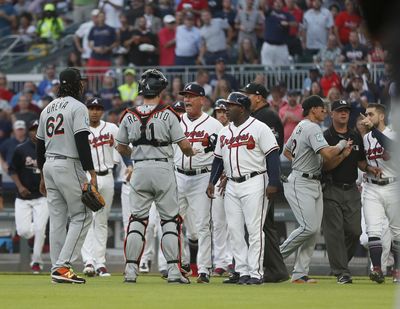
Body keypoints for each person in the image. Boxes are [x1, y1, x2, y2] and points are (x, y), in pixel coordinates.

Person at [116, 69, 199, 284]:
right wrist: (193, 152)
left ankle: (130, 271)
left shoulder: (128, 114)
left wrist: (136, 154)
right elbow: (184, 145)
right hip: (163, 168)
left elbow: (120, 146)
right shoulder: (169, 113)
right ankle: (173, 271)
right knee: (170, 220)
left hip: (140, 169)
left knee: (137, 220)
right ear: (160, 90)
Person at [207, 92, 281, 285]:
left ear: (241, 108)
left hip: (255, 180)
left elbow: (272, 155)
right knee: (234, 230)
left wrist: (273, 182)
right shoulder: (225, 132)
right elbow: (218, 160)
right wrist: (211, 182)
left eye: (230, 106)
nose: (226, 110)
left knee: (255, 229)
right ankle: (241, 271)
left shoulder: (259, 128)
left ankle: (255, 273)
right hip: (231, 184)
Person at [280, 95, 352, 283]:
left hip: (313, 181)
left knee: (312, 231)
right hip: (301, 182)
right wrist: (341, 144)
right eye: (322, 108)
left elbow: (287, 151)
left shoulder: (301, 125)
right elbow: (328, 154)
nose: (325, 111)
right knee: (308, 228)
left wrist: (302, 161)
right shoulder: (311, 127)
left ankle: (300, 273)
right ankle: (273, 257)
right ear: (313, 109)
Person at [36, 68, 97, 284]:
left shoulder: (47, 109)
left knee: (58, 221)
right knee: (82, 215)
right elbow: (81, 141)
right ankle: (63, 267)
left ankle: (56, 269)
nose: (82, 85)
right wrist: (91, 171)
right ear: (74, 84)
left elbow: (39, 145)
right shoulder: (78, 107)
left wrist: (42, 175)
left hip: (49, 166)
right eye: (80, 82)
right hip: (68, 164)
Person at [322, 99, 379, 284]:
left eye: (346, 110)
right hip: (331, 187)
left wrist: (370, 169)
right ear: (332, 114)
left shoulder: (355, 136)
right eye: (339, 110)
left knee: (355, 232)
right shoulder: (326, 136)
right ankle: (342, 271)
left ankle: (339, 265)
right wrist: (342, 155)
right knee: (335, 232)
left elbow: (361, 162)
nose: (344, 113)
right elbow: (325, 166)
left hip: (351, 188)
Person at [174, 82, 223, 283]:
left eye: (192, 96)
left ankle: (203, 269)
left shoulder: (215, 125)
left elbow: (223, 154)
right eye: (185, 96)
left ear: (202, 100)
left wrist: (216, 178)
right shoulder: (175, 122)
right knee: (173, 222)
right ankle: (179, 264)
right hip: (178, 175)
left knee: (203, 225)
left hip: (202, 176)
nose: (187, 99)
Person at [240, 82, 288, 283]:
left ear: (258, 97)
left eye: (248, 95)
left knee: (259, 226)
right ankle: (275, 269)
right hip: (257, 176)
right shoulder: (255, 117)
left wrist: (273, 180)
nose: (245, 98)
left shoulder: (267, 117)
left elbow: (273, 150)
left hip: (263, 176)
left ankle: (274, 269)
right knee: (263, 226)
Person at [359, 103, 400, 284]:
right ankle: (376, 269)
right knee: (372, 230)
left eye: (371, 114)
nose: (367, 117)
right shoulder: (365, 138)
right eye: (366, 114)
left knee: (397, 232)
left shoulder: (394, 134)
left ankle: (397, 270)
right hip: (371, 187)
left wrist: (373, 130)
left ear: (381, 116)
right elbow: (360, 161)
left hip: (393, 186)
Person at [81, 97, 119, 277]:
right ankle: (88, 261)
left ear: (102, 110)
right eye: (91, 108)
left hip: (108, 176)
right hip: (88, 177)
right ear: (86, 109)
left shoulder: (112, 128)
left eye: (98, 108)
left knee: (102, 221)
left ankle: (100, 263)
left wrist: (128, 166)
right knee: (88, 219)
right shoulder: (80, 129)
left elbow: (123, 148)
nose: (94, 111)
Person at [9, 120, 48, 274]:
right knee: (23, 231)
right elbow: (12, 170)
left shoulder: (49, 148)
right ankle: (38, 230)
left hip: (42, 196)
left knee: (40, 228)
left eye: (38, 129)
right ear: (29, 131)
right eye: (33, 129)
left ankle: (36, 262)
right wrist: (19, 186)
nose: (35, 132)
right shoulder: (21, 149)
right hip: (23, 196)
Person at [210, 99, 233, 276]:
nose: (222, 114)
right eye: (219, 111)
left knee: (234, 222)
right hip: (216, 178)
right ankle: (220, 262)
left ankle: (232, 260)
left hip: (234, 178)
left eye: (225, 111)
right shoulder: (210, 128)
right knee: (218, 223)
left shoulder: (235, 129)